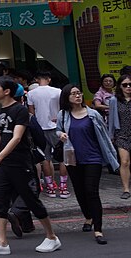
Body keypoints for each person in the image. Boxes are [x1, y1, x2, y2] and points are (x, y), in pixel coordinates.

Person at [0, 78, 61, 255]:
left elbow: (16, 138)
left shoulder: (21, 111)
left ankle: (52, 237)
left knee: (31, 200)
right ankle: (1, 242)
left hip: (20, 163)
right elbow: (1, 137)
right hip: (3, 164)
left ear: (7, 91)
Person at [56, 84, 118, 245]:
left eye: (79, 93)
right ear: (67, 98)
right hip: (72, 159)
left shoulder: (93, 114)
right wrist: (60, 134)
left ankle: (98, 229)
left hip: (93, 158)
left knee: (92, 192)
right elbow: (58, 129)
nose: (78, 96)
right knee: (80, 191)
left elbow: (103, 135)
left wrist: (112, 155)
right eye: (74, 94)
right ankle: (88, 217)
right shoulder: (63, 115)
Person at [26, 72, 68, 198]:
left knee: (45, 158)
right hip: (56, 127)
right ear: (49, 79)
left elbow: (31, 112)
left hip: (40, 128)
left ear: (37, 79)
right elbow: (62, 109)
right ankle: (63, 187)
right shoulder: (58, 91)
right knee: (62, 158)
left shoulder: (31, 93)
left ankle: (50, 188)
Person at [108, 73, 131, 199]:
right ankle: (126, 189)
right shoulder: (114, 100)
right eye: (125, 85)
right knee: (124, 161)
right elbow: (111, 119)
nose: (128, 87)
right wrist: (110, 136)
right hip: (122, 135)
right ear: (120, 86)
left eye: (130, 84)